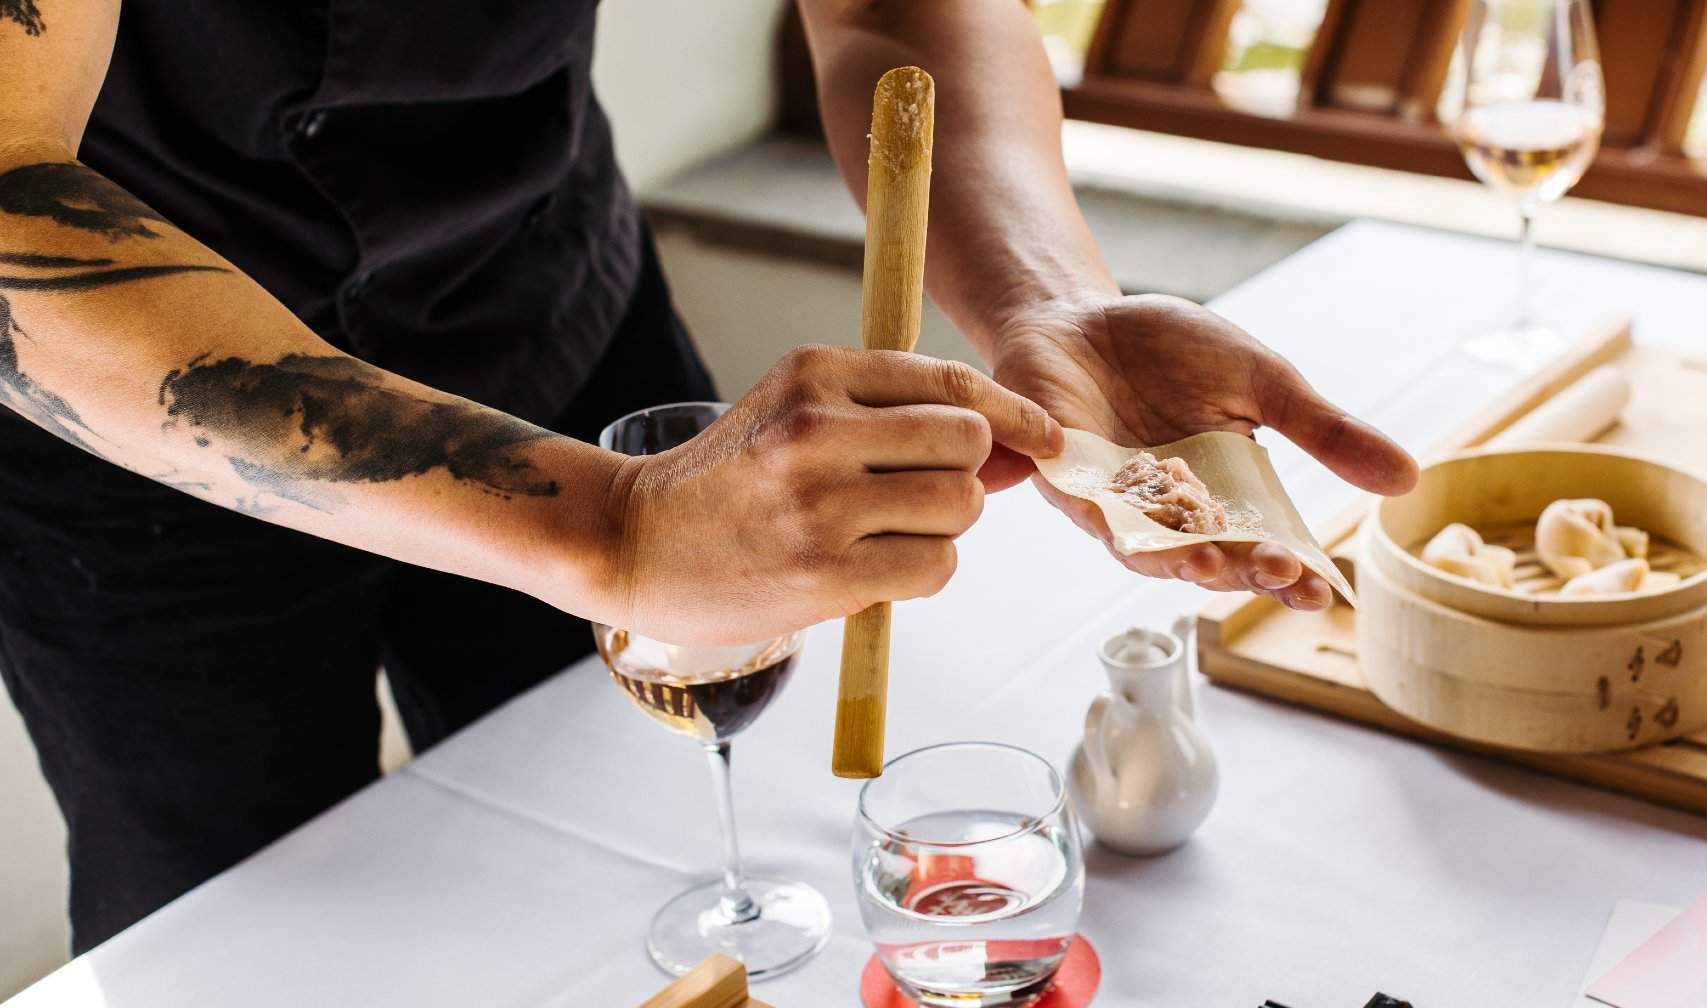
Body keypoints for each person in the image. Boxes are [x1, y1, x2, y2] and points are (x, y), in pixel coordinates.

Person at [0, 0, 1417, 953]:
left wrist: (1042, 297)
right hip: (125, 431)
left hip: (547, 306)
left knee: (644, 886)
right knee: (240, 949)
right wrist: (611, 527)